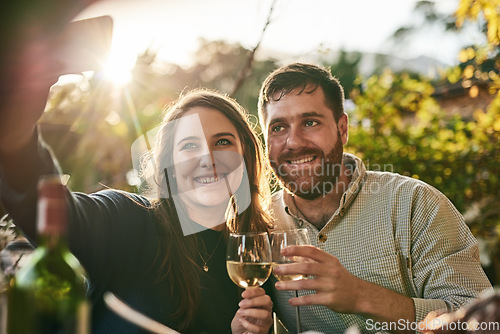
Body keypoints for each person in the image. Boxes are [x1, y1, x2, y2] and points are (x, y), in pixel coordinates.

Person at [0, 14, 274, 332]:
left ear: (247, 157)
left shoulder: (254, 259)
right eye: (188, 146)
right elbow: (46, 210)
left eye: (222, 142)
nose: (207, 158)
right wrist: (18, 119)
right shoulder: (129, 221)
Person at [257, 62, 493, 334]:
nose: (294, 142)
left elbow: (482, 322)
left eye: (310, 122)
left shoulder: (416, 204)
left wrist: (362, 296)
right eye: (277, 128)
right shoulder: (261, 223)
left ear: (342, 128)